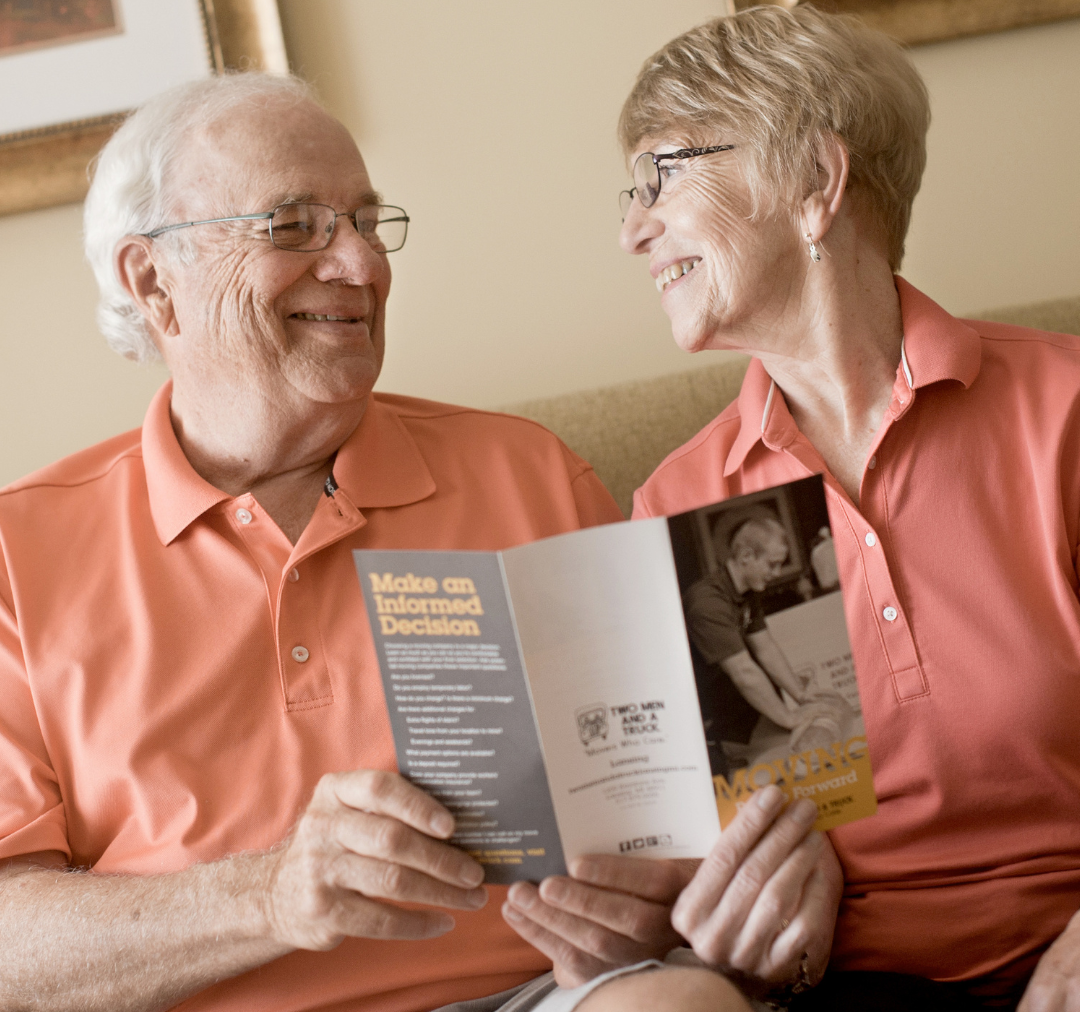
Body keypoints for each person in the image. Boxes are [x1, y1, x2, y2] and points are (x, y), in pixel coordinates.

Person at [0, 73, 751, 1012]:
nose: (360, 266)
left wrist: (650, 904)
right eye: (293, 226)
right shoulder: (18, 553)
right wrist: (269, 897)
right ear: (153, 281)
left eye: (365, 220)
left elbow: (682, 809)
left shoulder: (531, 477)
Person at [616, 5, 1080, 1010]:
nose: (632, 228)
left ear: (816, 183)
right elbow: (713, 865)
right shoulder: (675, 501)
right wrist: (751, 931)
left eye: (664, 175)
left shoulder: (1065, 412)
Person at [684, 511, 846, 759]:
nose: (777, 573)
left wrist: (800, 694)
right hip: (700, 719)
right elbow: (743, 671)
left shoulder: (747, 593)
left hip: (735, 710)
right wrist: (788, 716)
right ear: (746, 556)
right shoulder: (707, 603)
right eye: (772, 564)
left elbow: (765, 648)